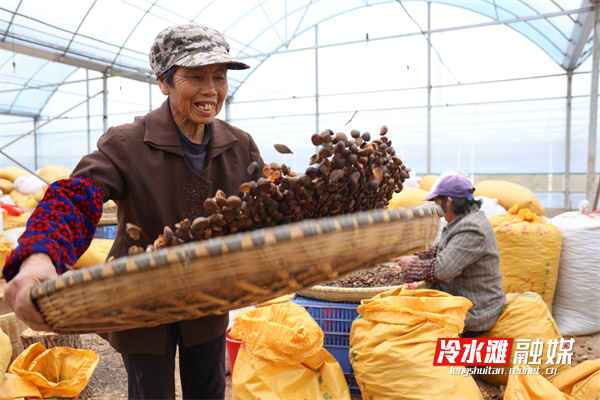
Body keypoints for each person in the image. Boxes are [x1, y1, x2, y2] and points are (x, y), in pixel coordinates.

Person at [2, 23, 265, 399]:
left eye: (219, 77)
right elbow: (76, 198)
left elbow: (264, 207)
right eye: (195, 76)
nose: (211, 89)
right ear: (164, 81)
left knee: (208, 390)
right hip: (141, 298)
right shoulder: (128, 143)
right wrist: (41, 256)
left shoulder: (240, 145)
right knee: (151, 392)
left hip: (209, 293)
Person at [396, 174, 505, 338]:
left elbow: (442, 271)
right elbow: (447, 248)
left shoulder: (472, 228)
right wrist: (419, 257)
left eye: (438, 203)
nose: (437, 209)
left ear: (449, 201)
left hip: (475, 313)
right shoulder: (464, 221)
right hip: (466, 302)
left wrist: (410, 266)